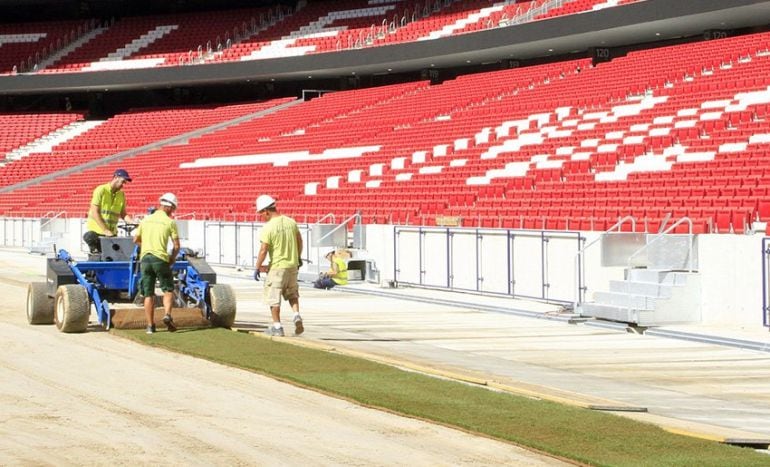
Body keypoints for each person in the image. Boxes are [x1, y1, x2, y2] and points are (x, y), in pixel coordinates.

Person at [255, 194, 303, 337]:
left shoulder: (268, 227)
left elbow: (263, 250)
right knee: (292, 293)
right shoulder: (291, 222)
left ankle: (277, 326)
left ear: (266, 211)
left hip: (277, 268)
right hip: (292, 266)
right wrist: (298, 257)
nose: (261, 217)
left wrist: (257, 267)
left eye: (261, 214)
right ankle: (296, 315)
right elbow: (299, 241)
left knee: (273, 297)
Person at [134, 193, 180, 334]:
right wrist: (171, 258)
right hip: (160, 258)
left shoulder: (145, 220)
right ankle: (167, 314)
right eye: (173, 209)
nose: (173, 212)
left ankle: (150, 326)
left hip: (145, 259)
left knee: (148, 294)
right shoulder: (170, 222)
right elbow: (177, 246)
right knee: (168, 289)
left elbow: (135, 239)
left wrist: (146, 246)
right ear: (169, 207)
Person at [83, 169, 135, 254]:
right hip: (97, 233)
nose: (123, 184)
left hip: (111, 234)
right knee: (96, 250)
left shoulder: (121, 195)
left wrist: (132, 222)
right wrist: (105, 230)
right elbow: (94, 211)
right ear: (115, 177)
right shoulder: (101, 190)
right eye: (122, 181)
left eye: (125, 182)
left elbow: (123, 214)